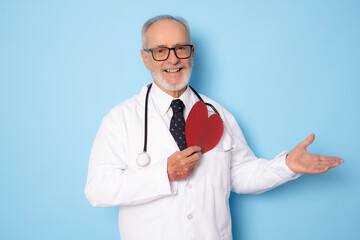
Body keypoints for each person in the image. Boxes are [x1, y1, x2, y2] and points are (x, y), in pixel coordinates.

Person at [84, 15, 343, 240]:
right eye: (160, 50)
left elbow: (240, 175)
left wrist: (286, 165)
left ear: (192, 53)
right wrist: (164, 172)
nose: (173, 59)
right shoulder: (120, 119)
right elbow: (97, 190)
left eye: (180, 49)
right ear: (145, 58)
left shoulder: (219, 114)